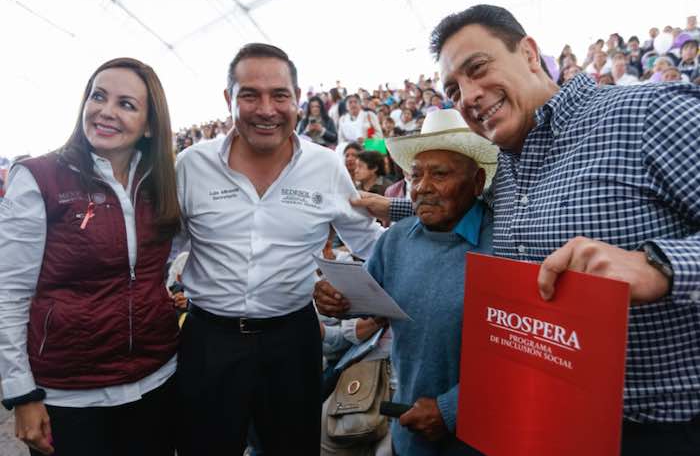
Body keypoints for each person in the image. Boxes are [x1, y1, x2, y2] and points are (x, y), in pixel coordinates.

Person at [341, 4, 700, 456]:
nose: (469, 95)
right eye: (454, 89)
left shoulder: (646, 115)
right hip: (542, 424)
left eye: (478, 68)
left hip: (659, 432)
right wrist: (387, 207)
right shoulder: (504, 175)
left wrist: (659, 266)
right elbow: (445, 207)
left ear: (529, 53)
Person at [174, 43, 383, 455]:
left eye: (280, 95)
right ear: (228, 100)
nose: (266, 109)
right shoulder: (191, 165)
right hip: (209, 341)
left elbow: (368, 240)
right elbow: (162, 248)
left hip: (292, 341)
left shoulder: (325, 166)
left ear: (298, 99)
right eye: (249, 94)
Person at [0, 57, 181, 455]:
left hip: (156, 381)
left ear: (150, 125)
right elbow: (8, 294)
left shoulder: (162, 182)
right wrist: (21, 394)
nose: (106, 111)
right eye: (98, 96)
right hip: (69, 397)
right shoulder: (39, 177)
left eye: (126, 104)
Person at [315, 109, 498, 456]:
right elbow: (368, 301)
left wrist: (451, 409)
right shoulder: (395, 239)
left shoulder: (502, 246)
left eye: (440, 174)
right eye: (415, 175)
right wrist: (336, 298)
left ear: (476, 182)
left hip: (478, 439)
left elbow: (520, 358)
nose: (423, 187)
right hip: (408, 433)